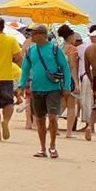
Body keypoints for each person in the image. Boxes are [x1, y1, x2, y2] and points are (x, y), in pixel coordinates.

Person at [20, 25, 71, 159]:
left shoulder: (55, 50)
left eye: (35, 34)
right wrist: (21, 85)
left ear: (43, 34)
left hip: (53, 88)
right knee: (40, 120)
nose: (32, 37)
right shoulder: (30, 50)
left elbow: (65, 67)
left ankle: (52, 146)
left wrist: (67, 86)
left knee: (53, 118)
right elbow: (25, 69)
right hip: (36, 89)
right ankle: (42, 148)